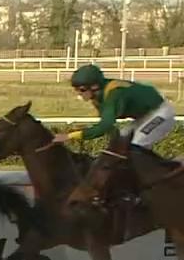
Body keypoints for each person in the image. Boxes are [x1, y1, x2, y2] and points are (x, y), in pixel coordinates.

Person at [51, 64, 177, 205]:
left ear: (94, 87)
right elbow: (111, 129)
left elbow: (104, 126)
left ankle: (148, 187)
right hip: (144, 115)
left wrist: (70, 136)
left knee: (135, 147)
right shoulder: (98, 96)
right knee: (121, 145)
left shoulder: (114, 94)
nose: (79, 94)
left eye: (81, 90)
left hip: (161, 112)